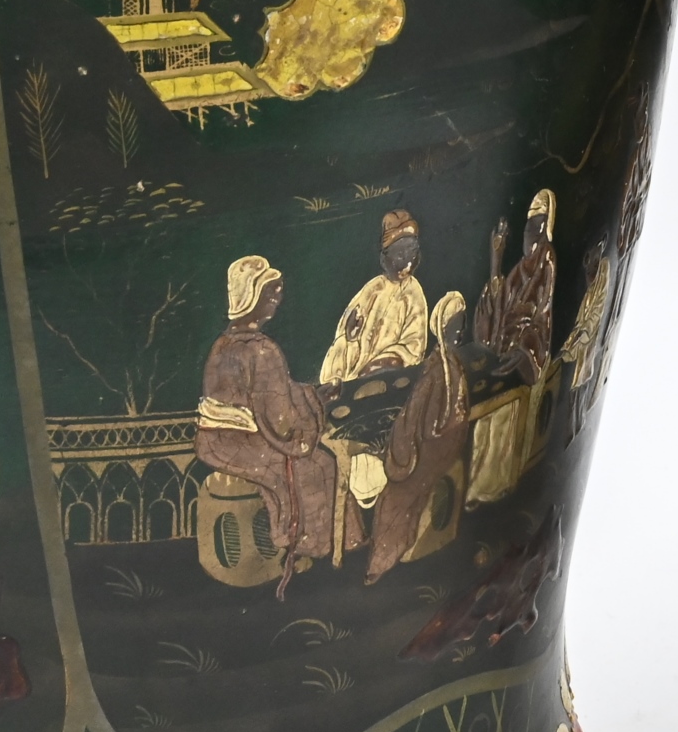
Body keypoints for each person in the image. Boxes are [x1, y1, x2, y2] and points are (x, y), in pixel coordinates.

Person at [193, 258, 335, 593]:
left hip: (212, 440)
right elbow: (280, 420)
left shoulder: (223, 343)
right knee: (318, 464)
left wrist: (311, 394)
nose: (276, 299)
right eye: (269, 292)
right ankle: (301, 550)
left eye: (277, 291)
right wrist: (311, 415)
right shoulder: (261, 350)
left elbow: (270, 396)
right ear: (250, 295)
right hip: (240, 443)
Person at [366, 292, 471, 584]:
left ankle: (380, 563)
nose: (460, 332)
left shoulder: (443, 368)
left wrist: (395, 455)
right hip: (439, 448)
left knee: (395, 498)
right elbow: (414, 416)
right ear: (441, 330)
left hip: (434, 451)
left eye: (462, 326)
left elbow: (410, 422)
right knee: (403, 497)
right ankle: (392, 553)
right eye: (454, 327)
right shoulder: (441, 368)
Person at [320, 209, 429, 383]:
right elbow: (343, 340)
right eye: (400, 255)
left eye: (413, 253)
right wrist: (350, 338)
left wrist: (383, 363)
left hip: (393, 381)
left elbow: (413, 347)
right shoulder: (372, 290)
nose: (408, 263)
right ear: (384, 259)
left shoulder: (412, 292)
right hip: (356, 377)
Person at [473, 187, 559, 380]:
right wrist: (496, 260)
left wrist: (523, 346)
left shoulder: (546, 260)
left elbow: (542, 314)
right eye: (528, 225)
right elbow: (499, 304)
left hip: (524, 349)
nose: (529, 231)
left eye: (536, 225)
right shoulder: (519, 270)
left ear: (545, 229)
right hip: (503, 346)